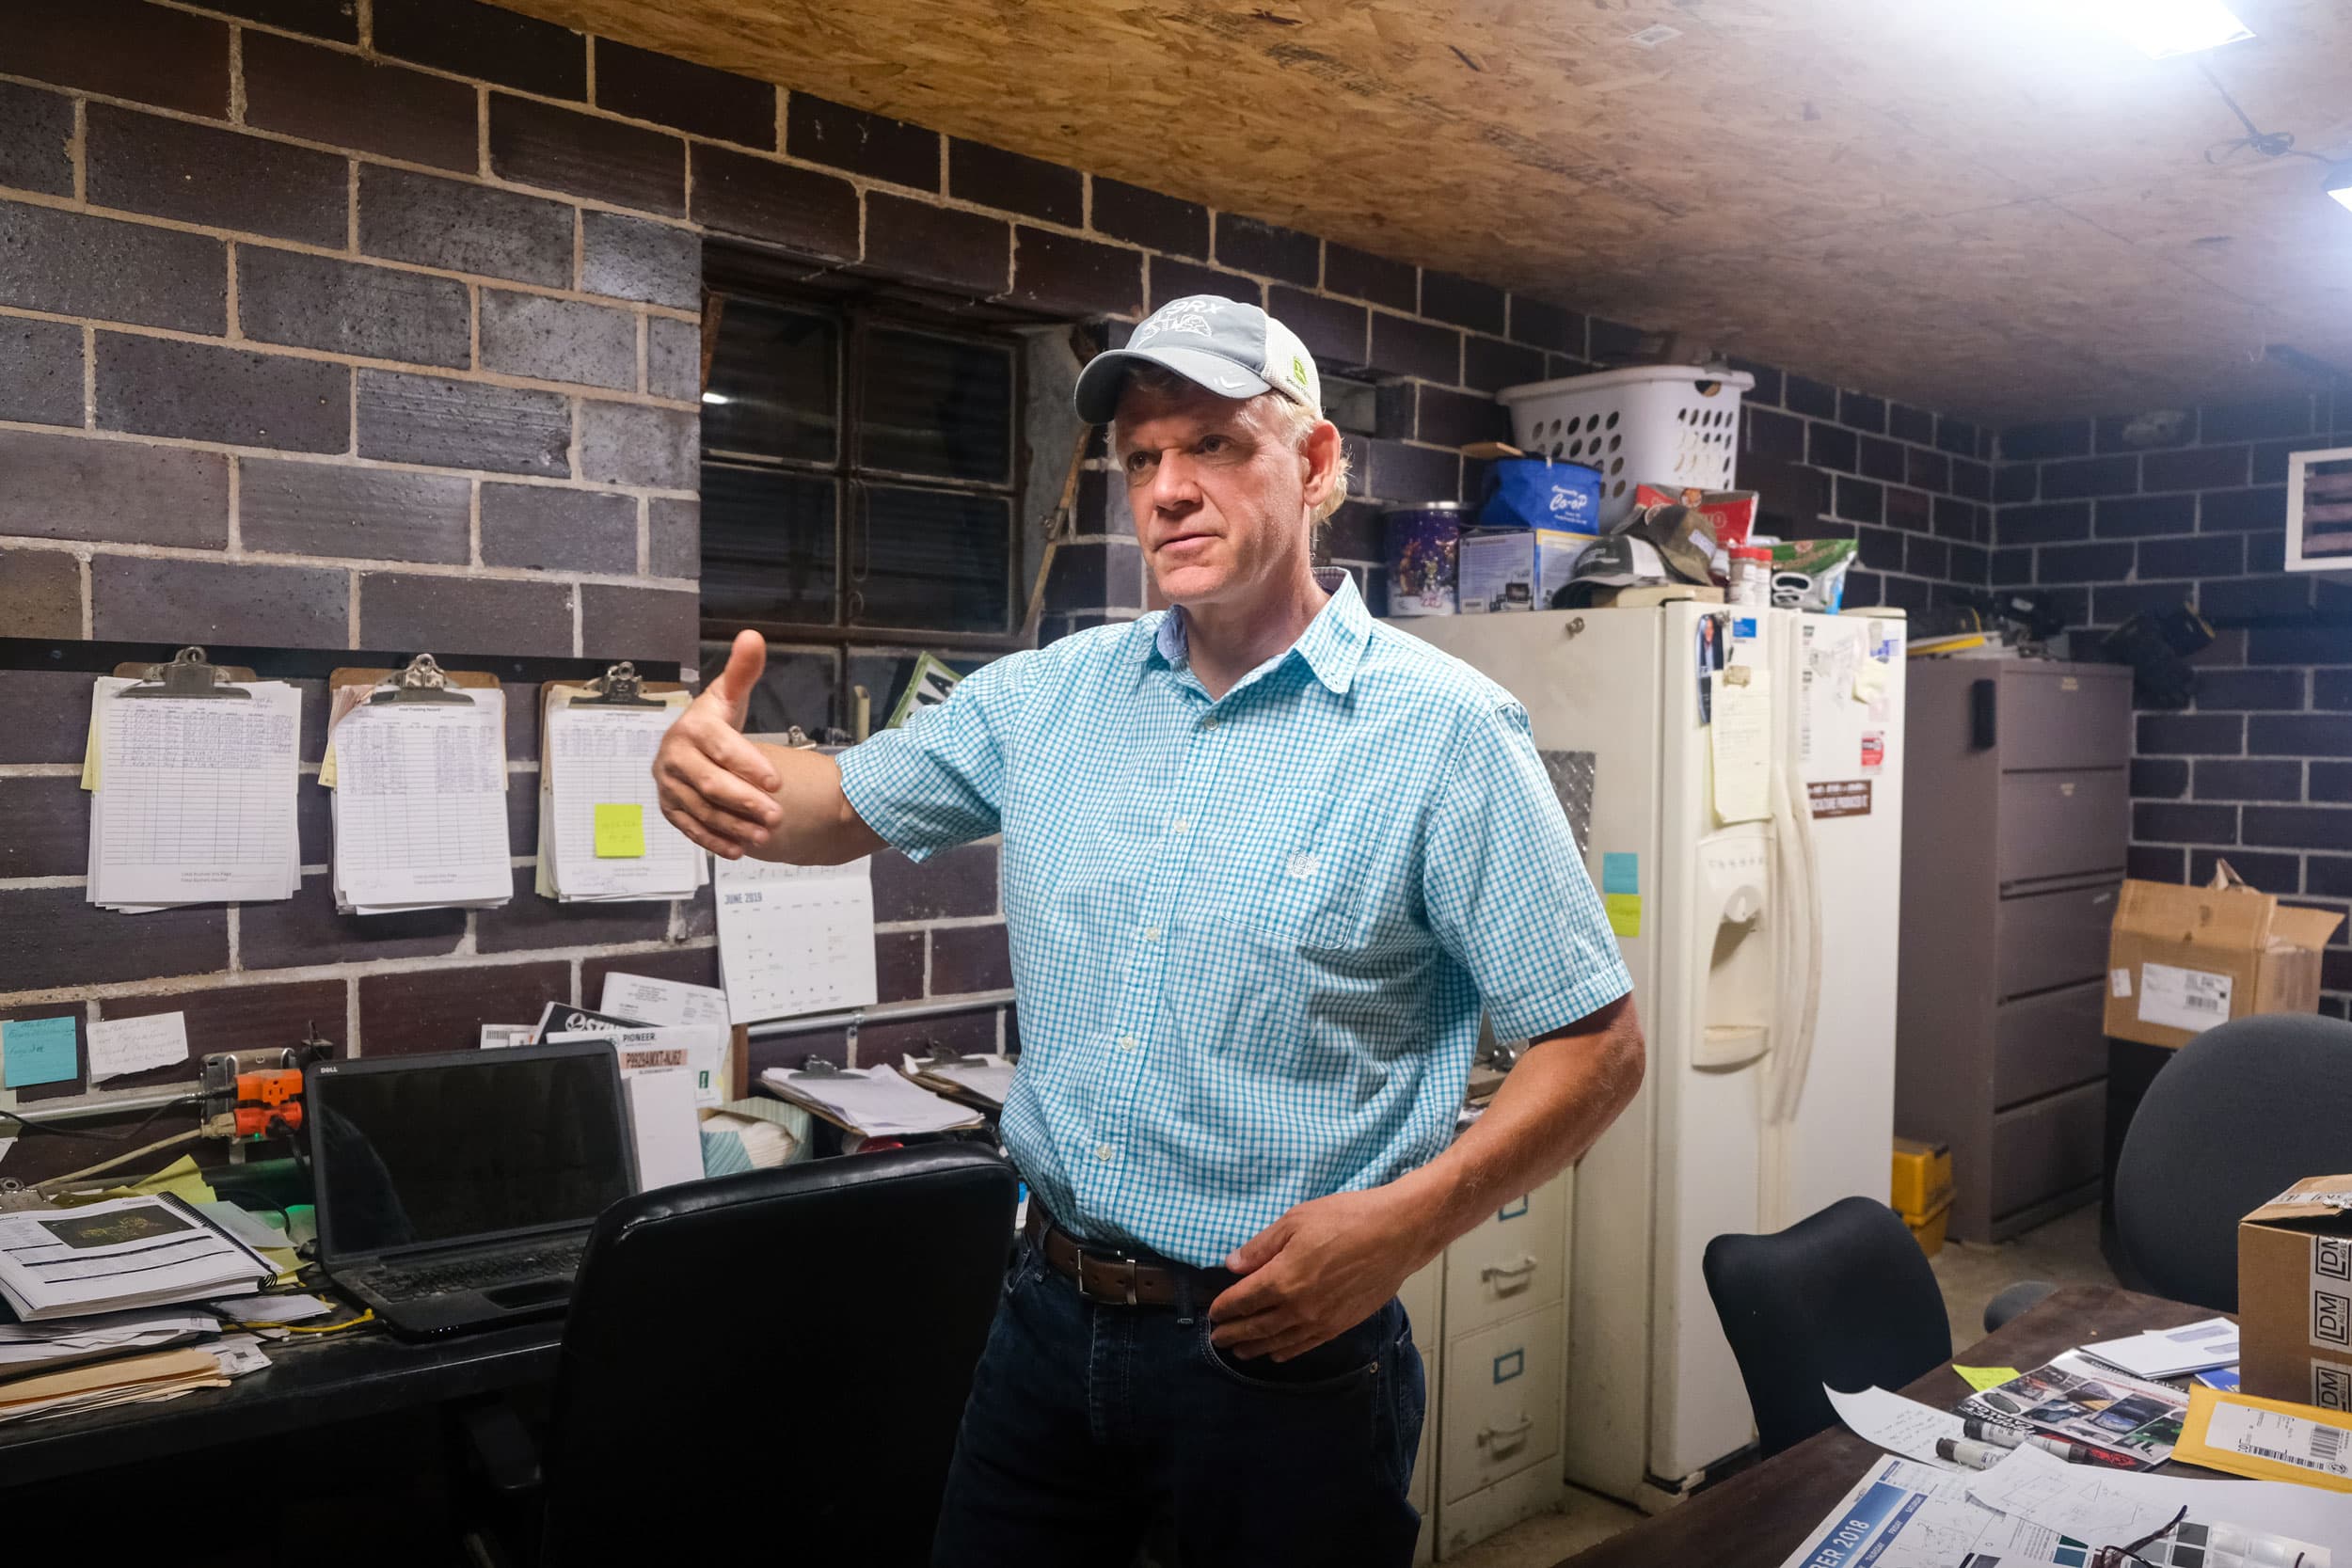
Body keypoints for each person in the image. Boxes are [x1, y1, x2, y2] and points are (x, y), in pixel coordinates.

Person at [653, 294, 1645, 1567]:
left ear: (1318, 462)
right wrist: (710, 776)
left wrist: (1412, 1220)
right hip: (1045, 1326)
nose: (1168, 488)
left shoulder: (1444, 733)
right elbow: (829, 806)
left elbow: (1597, 1043)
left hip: (1278, 1350)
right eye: (1142, 459)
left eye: (1216, 445)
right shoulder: (1051, 695)